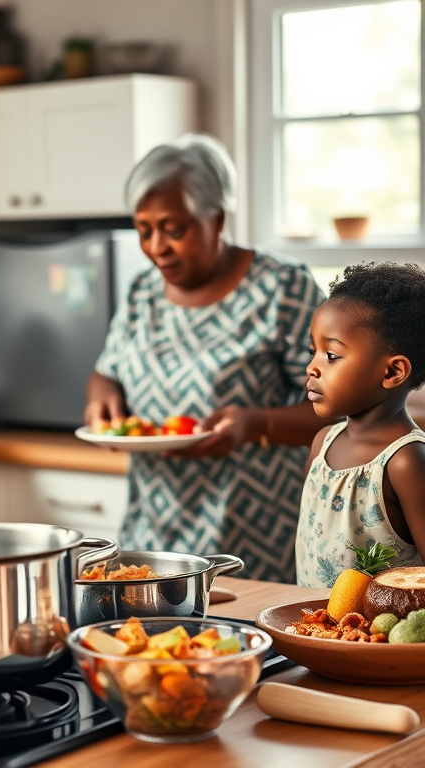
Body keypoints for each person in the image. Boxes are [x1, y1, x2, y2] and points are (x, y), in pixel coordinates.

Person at [84, 132, 333, 583]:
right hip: (153, 529)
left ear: (216, 220)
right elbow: (107, 373)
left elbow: (335, 407)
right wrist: (102, 401)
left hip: (252, 533)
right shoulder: (143, 292)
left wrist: (255, 425)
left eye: (173, 229)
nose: (157, 246)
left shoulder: (282, 287)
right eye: (144, 230)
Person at [295, 262, 425, 588]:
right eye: (313, 352)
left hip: (379, 637)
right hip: (310, 628)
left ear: (393, 372)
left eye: (332, 355)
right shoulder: (323, 442)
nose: (312, 367)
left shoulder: (406, 460)